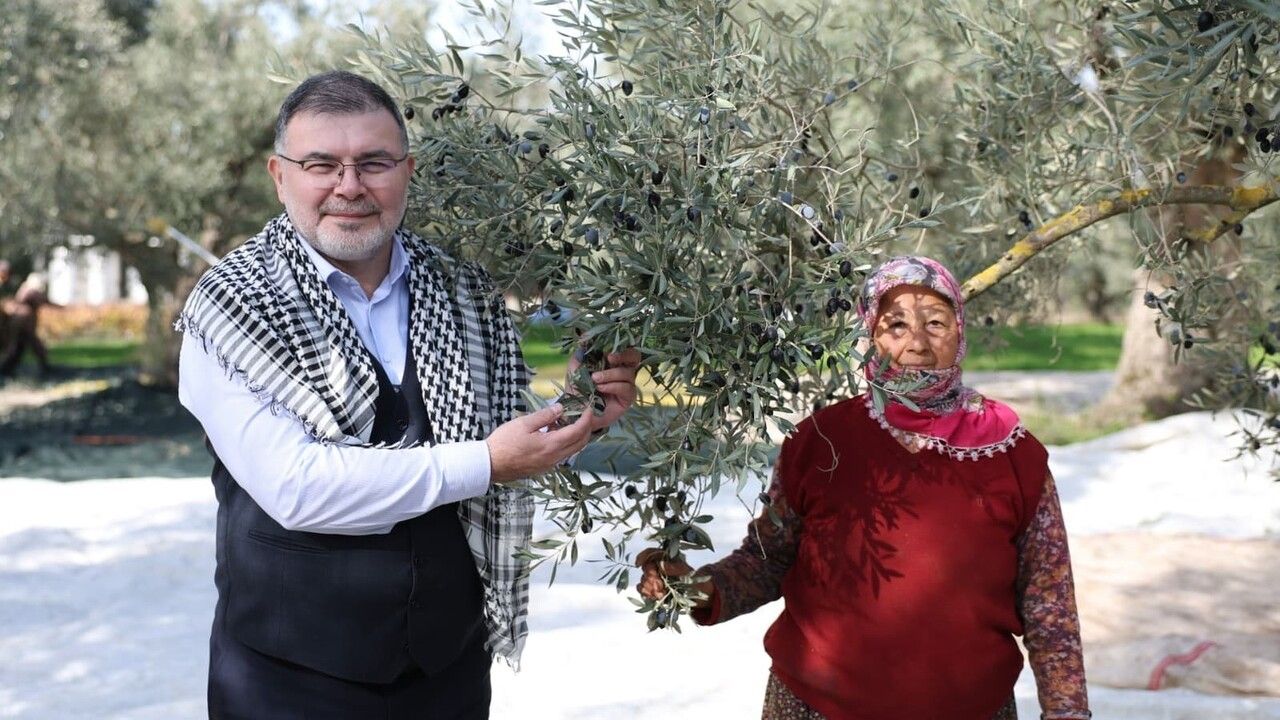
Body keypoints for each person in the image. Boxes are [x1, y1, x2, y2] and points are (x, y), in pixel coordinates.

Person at [177, 71, 641, 719]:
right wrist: (485, 461)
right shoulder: (231, 305)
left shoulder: (462, 291)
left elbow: (505, 442)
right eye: (321, 164)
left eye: (373, 163)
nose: (349, 186)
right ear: (279, 176)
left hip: (445, 669)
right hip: (285, 680)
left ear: (407, 170)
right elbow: (297, 486)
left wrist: (579, 411)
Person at [637, 256, 1091, 720]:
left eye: (935, 322)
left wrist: (1067, 710)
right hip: (816, 706)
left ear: (959, 330)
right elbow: (768, 560)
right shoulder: (821, 441)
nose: (916, 342)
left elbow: (1049, 601)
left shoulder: (1012, 451)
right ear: (871, 336)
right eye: (895, 325)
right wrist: (695, 588)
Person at [0, 272, 63, 379]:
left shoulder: (28, 291)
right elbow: (31, 299)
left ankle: (8, 369)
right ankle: (44, 367)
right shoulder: (30, 291)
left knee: (20, 347)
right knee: (24, 345)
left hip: (23, 322)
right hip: (23, 323)